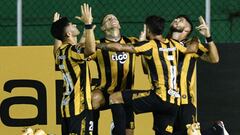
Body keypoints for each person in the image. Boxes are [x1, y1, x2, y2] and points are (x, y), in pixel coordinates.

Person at [97, 15, 198, 135]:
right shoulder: (173, 44)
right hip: (174, 101)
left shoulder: (150, 45)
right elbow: (192, 48)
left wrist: (96, 45)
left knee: (115, 98)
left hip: (158, 97)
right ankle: (209, 131)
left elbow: (119, 47)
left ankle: (118, 130)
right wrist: (196, 38)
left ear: (148, 30)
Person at [169, 15, 229, 135]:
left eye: (181, 21)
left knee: (190, 132)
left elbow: (214, 59)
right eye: (175, 19)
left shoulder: (192, 44)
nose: (176, 20)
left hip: (185, 100)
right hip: (165, 99)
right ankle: (214, 131)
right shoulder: (163, 43)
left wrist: (208, 37)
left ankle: (216, 130)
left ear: (187, 29)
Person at [90, 14, 139, 135]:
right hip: (105, 92)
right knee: (93, 99)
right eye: (108, 19)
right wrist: (88, 29)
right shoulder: (96, 44)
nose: (112, 20)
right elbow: (80, 54)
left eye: (115, 18)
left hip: (125, 93)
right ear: (102, 28)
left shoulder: (132, 41)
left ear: (120, 25)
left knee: (127, 133)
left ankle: (117, 128)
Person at [51, 3, 96, 135]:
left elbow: (57, 49)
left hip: (66, 108)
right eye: (72, 24)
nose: (75, 25)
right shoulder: (72, 51)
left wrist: (57, 30)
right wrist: (88, 25)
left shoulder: (60, 52)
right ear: (69, 33)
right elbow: (90, 49)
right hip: (80, 108)